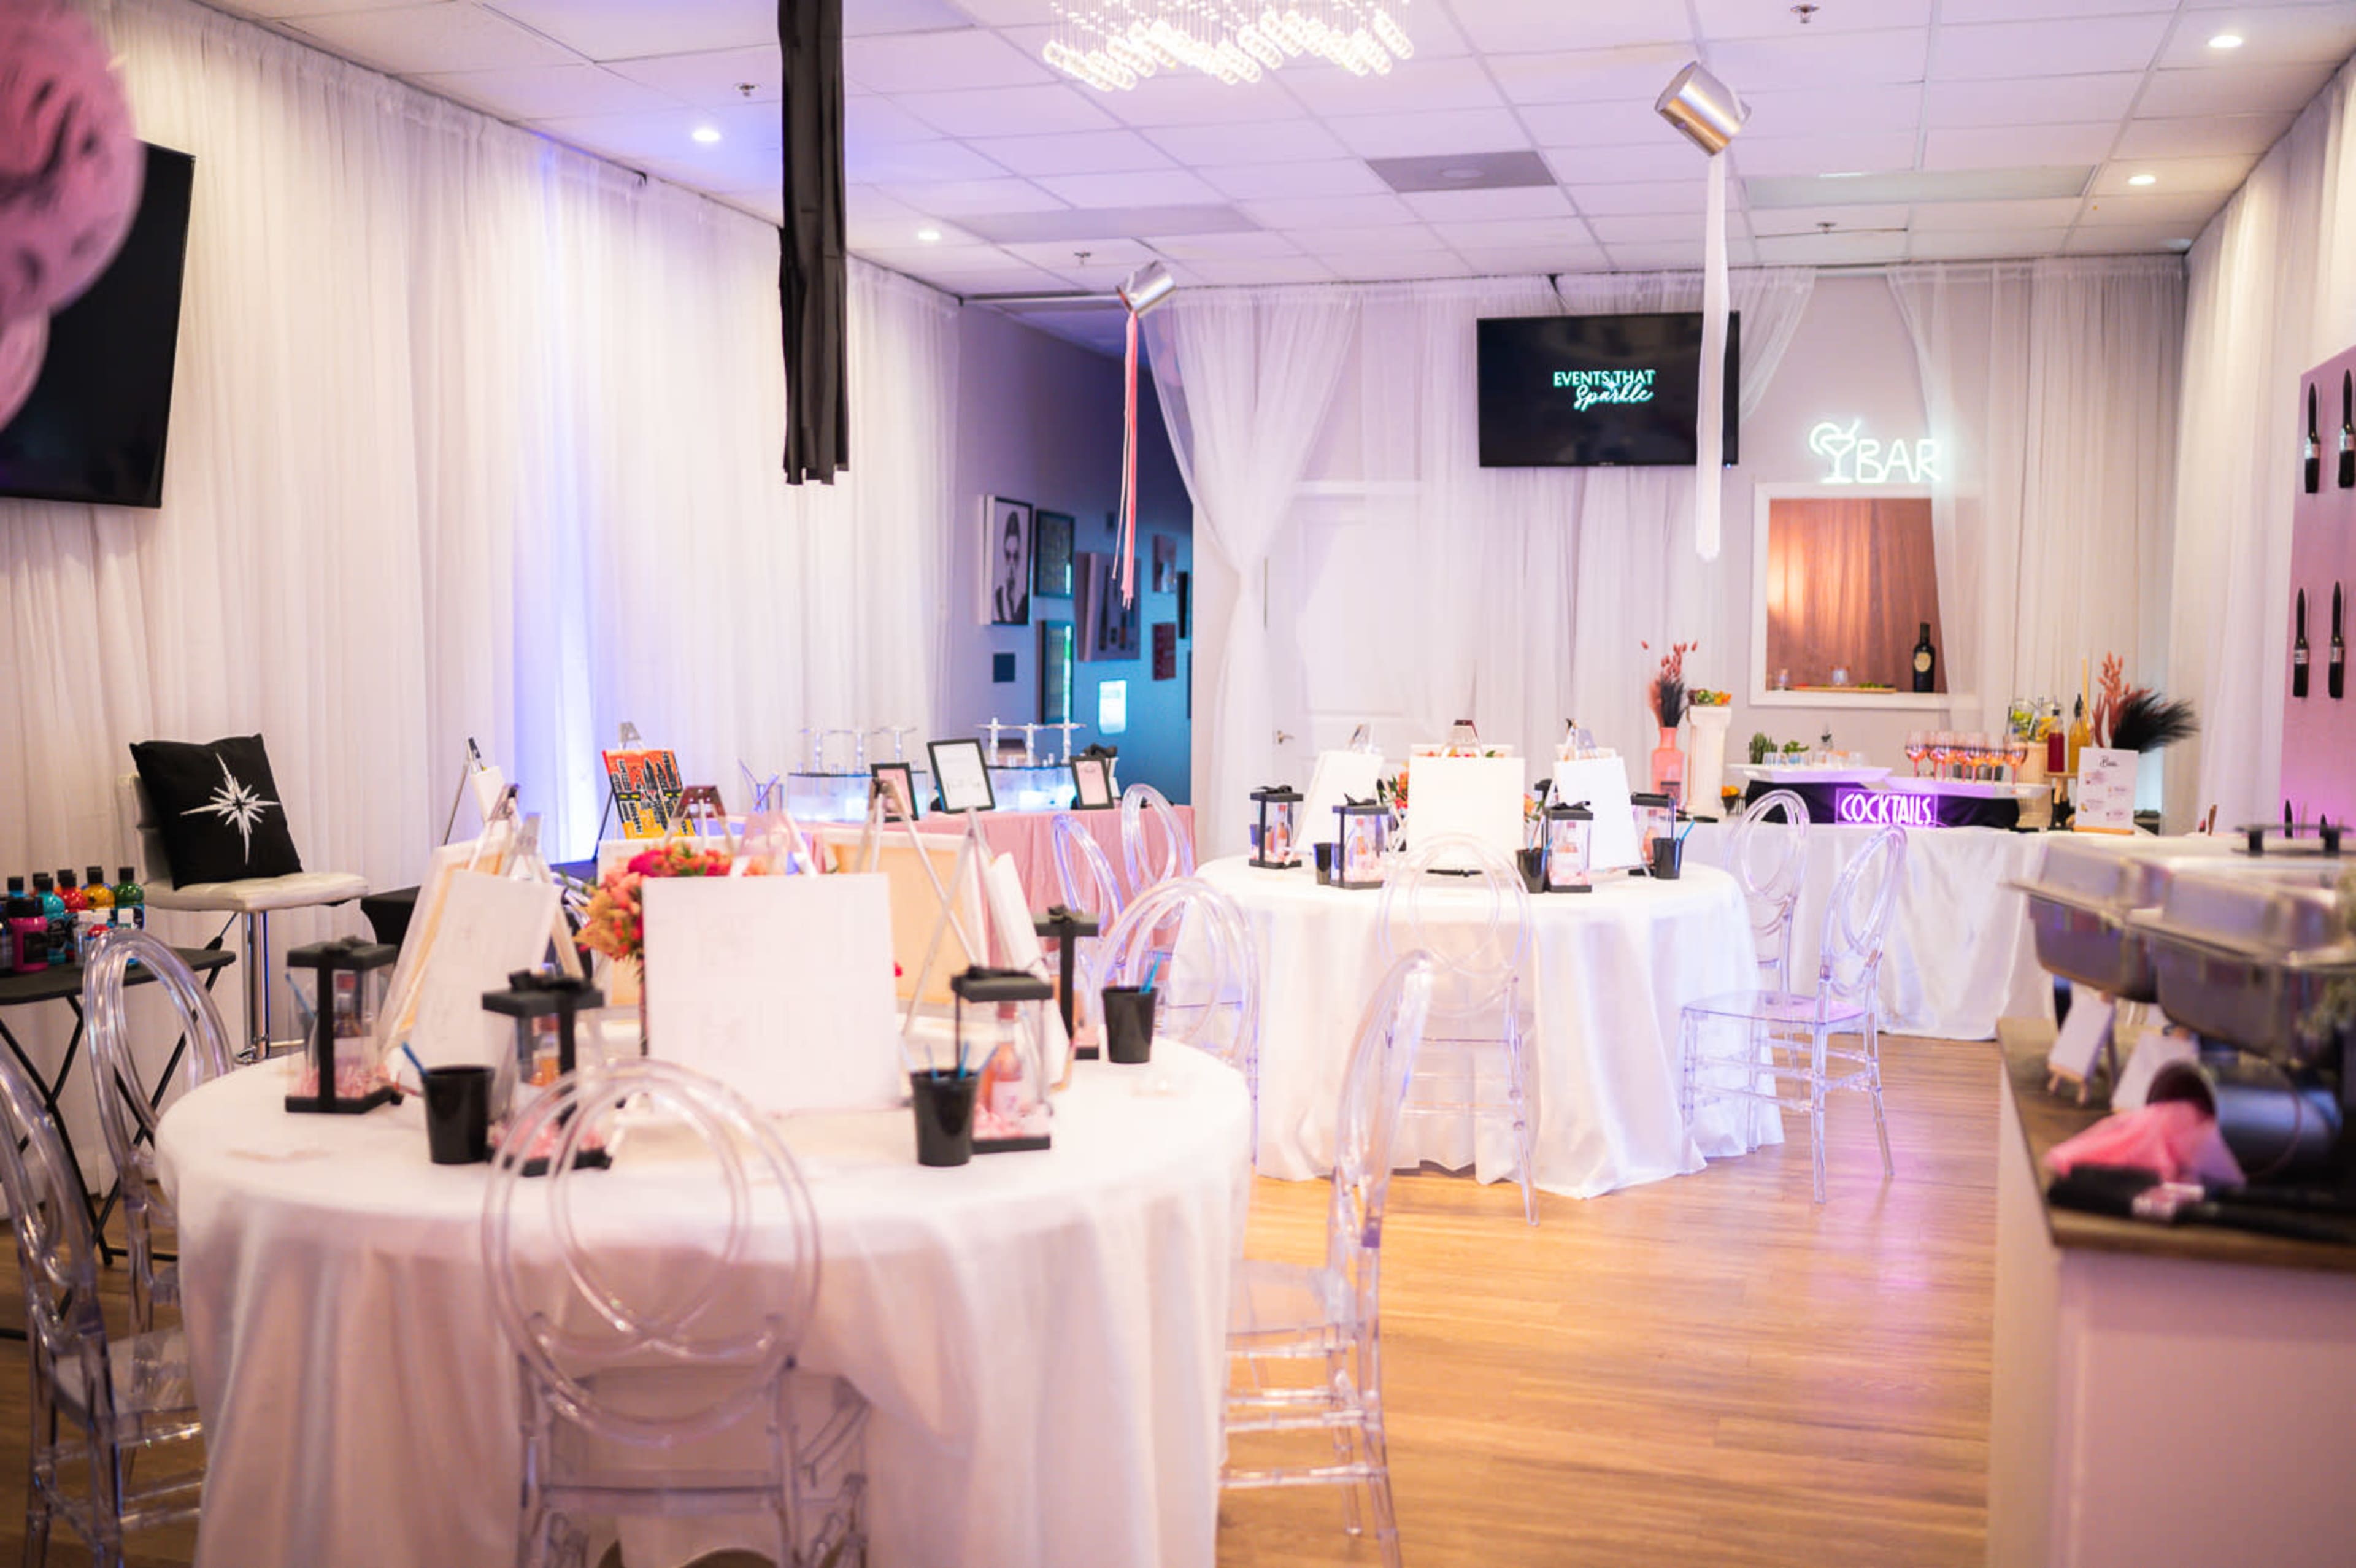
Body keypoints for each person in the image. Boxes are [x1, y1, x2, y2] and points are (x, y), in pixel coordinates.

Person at [993, 509, 1028, 623]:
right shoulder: (998, 596)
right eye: (1008, 556)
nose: (1011, 564)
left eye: (1015, 556)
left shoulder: (1024, 599)